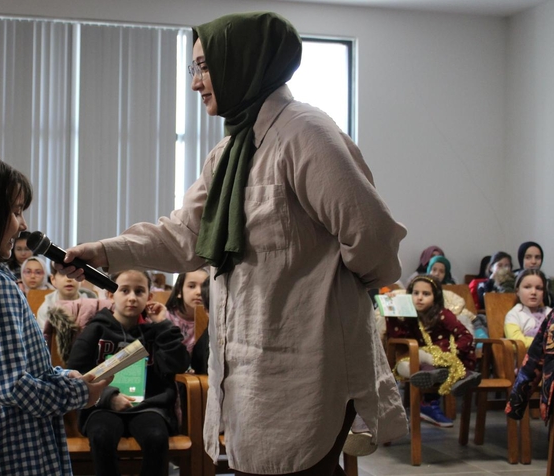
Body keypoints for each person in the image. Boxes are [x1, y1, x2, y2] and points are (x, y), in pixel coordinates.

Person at [57, 12, 408, 475]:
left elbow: (374, 237)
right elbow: (187, 236)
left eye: (204, 67)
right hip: (253, 361)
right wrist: (105, 251)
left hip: (309, 357)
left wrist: (340, 290)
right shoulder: (230, 151)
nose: (196, 83)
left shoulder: (304, 133)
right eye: (194, 69)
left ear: (240, 62)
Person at [0, 153, 108, 475]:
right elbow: (10, 387)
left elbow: (11, 365)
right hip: (7, 435)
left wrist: (57, 375)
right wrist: (80, 393)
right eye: (15, 212)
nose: (23, 225)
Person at [67, 269, 190, 476]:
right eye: (124, 290)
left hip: (148, 407)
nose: (132, 297)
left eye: (139, 291)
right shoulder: (96, 329)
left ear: (149, 297)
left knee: (156, 437)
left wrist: (163, 324)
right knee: (101, 435)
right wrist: (108, 397)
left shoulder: (156, 331)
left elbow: (177, 364)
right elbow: (76, 371)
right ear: (110, 294)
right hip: (103, 408)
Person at [386, 276, 481, 427]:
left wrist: (452, 352)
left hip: (444, 356)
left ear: (435, 297)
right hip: (419, 358)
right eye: (415, 293)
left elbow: (465, 335)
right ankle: (436, 374)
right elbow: (399, 337)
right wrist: (391, 312)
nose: (419, 298)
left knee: (423, 355)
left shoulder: (443, 314)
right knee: (404, 366)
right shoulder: (410, 316)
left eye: (426, 294)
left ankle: (458, 375)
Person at [164, 269, 209, 354]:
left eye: (203, 287)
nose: (199, 292)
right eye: (191, 286)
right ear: (179, 291)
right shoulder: (164, 317)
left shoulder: (210, 320)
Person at [504, 269, 551, 348]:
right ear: (517, 291)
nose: (533, 292)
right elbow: (517, 343)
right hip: (526, 358)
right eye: (527, 287)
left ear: (544, 293)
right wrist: (546, 341)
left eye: (539, 288)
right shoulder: (514, 315)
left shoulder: (549, 313)